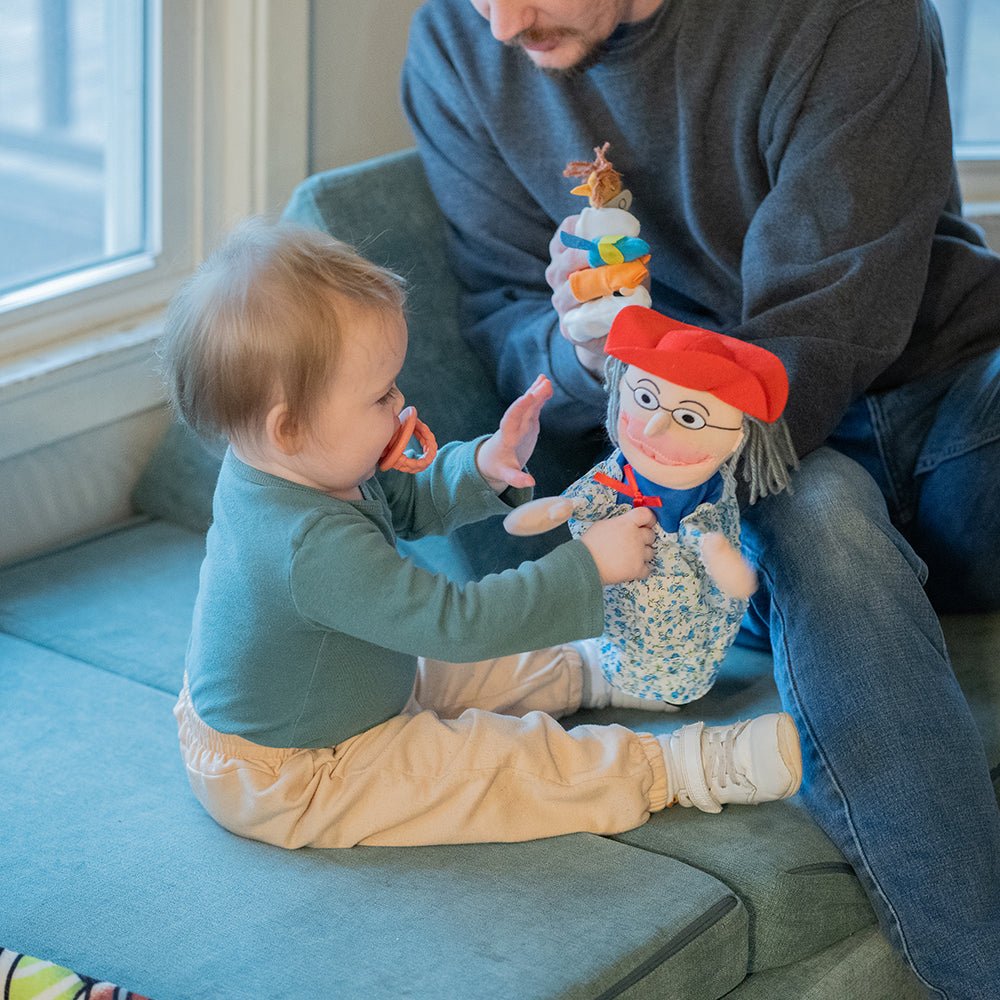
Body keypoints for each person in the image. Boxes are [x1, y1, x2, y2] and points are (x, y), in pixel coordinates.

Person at [400, 1, 1000, 996]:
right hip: (719, 475)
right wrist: (588, 356)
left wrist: (666, 385)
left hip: (934, 402)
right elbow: (503, 313)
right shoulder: (457, 49)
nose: (504, 25)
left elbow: (818, 332)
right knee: (824, 521)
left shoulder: (844, 17)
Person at [158, 217, 803, 850]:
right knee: (499, 767)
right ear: (289, 428)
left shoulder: (285, 465)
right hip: (303, 768)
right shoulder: (305, 543)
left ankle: (602, 672)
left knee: (463, 670)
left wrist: (482, 467)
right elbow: (457, 623)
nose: (399, 405)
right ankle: (684, 769)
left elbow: (399, 501)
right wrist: (586, 566)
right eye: (380, 396)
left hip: (355, 683)